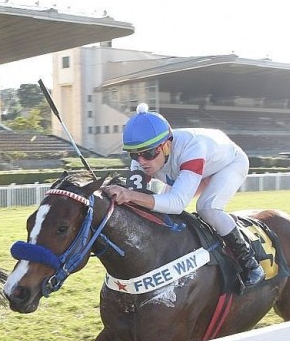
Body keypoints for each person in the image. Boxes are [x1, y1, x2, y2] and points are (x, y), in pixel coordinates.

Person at [101, 103, 264, 288]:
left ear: (166, 145)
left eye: (148, 153)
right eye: (134, 155)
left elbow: (177, 203)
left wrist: (129, 194)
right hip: (189, 170)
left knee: (207, 208)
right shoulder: (142, 160)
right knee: (162, 210)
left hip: (229, 164)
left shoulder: (192, 148)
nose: (141, 161)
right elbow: (136, 201)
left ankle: (250, 264)